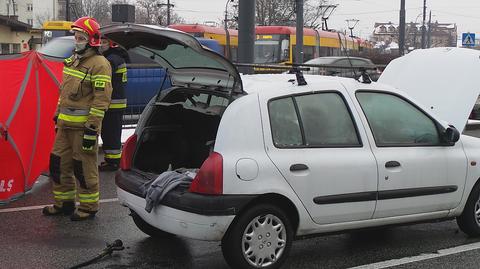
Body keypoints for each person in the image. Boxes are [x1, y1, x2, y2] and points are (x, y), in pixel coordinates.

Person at [42, 17, 112, 221]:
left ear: (92, 40)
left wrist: (92, 128)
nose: (77, 40)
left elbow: (101, 100)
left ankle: (89, 207)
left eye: (81, 37)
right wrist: (58, 116)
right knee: (58, 164)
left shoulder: (100, 64)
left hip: (84, 129)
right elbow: (63, 93)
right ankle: (64, 204)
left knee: (83, 168)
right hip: (65, 126)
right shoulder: (73, 60)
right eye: (76, 37)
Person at [98, 38, 128, 171]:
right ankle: (112, 160)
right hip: (115, 102)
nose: (101, 44)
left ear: (110, 44)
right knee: (111, 133)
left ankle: (114, 162)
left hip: (112, 103)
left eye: (104, 42)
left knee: (111, 134)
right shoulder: (116, 57)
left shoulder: (112, 59)